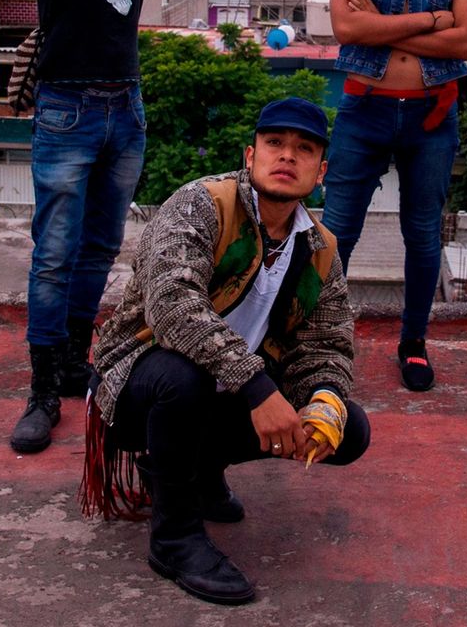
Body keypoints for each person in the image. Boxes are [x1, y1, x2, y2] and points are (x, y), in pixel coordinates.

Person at [0, 0, 227, 454]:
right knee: (53, 252)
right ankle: (42, 390)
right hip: (65, 107)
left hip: (124, 106)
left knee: (100, 247)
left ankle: (76, 363)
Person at [80, 97, 368, 606]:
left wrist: (323, 398)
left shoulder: (320, 247)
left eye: (304, 149)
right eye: (274, 143)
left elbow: (327, 343)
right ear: (249, 154)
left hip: (222, 391)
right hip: (137, 383)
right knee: (181, 376)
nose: (287, 156)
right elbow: (173, 306)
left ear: (320, 172)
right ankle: (173, 539)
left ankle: (200, 466)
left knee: (350, 429)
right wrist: (259, 389)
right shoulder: (202, 203)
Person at [323, 0, 467, 391]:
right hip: (365, 110)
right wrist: (435, 18)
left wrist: (386, 22)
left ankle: (413, 342)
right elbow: (348, 31)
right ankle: (320, 342)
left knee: (422, 234)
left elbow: (466, 43)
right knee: (337, 233)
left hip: (433, 116)